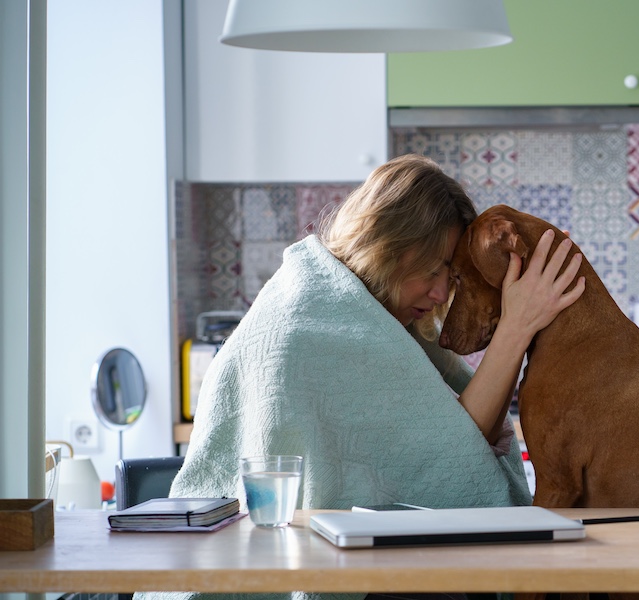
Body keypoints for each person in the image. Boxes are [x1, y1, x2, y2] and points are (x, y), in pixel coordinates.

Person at [139, 154, 584, 600]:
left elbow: (452, 439)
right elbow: (453, 453)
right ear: (387, 245)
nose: (440, 293)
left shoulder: (369, 319)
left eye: (449, 277)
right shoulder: (317, 323)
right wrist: (517, 325)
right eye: (431, 270)